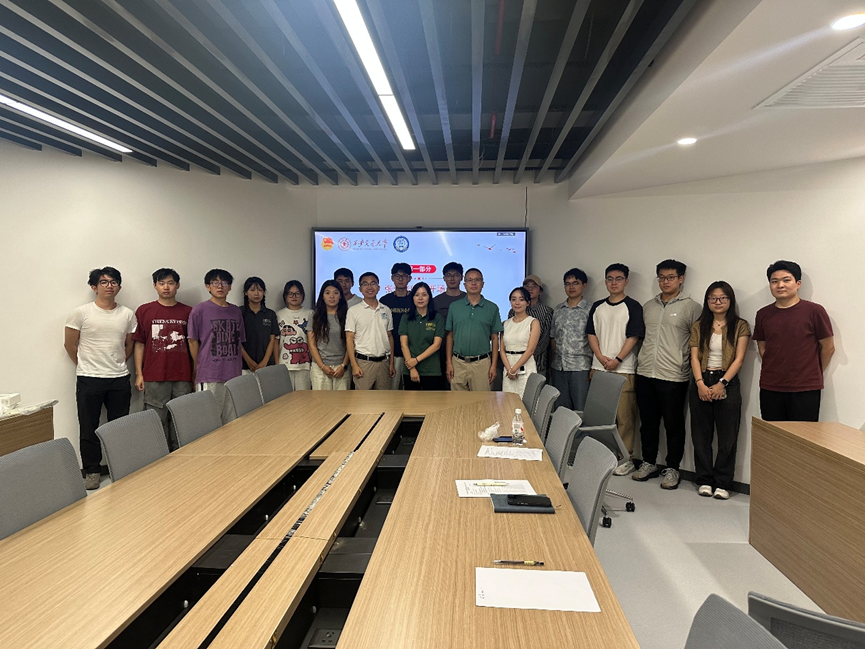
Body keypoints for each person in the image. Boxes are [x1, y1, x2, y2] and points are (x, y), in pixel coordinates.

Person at [64, 267, 137, 490]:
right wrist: (86, 365)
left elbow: (129, 345)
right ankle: (92, 471)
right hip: (89, 378)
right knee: (89, 427)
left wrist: (116, 363)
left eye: (113, 282)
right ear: (94, 287)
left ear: (119, 287)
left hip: (119, 379)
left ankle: (119, 467)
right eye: (104, 282)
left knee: (119, 426)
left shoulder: (127, 314)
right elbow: (70, 345)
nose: (109, 286)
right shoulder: (81, 313)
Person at [631, 260, 702, 490]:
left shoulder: (692, 307)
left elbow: (697, 342)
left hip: (673, 376)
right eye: (661, 277)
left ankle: (673, 468)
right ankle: (648, 462)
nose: (665, 281)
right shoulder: (648, 306)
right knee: (648, 423)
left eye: (671, 277)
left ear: (681, 279)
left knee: (674, 425)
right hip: (645, 372)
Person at [689, 282, 751, 500]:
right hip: (701, 379)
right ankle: (704, 480)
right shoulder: (699, 325)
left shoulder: (740, 326)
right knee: (700, 435)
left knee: (727, 436)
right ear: (707, 301)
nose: (717, 302)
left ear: (730, 301)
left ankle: (723, 483)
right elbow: (694, 357)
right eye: (713, 298)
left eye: (723, 298)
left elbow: (739, 359)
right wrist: (699, 383)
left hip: (728, 382)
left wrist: (722, 383)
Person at [753, 260, 834, 422]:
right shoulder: (763, 314)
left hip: (805, 388)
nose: (780, 285)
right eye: (774, 281)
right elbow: (762, 347)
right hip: (771, 386)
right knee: (773, 434)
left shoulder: (814, 311)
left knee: (803, 435)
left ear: (798, 284)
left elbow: (828, 347)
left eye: (786, 280)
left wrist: (812, 372)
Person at [586, 263, 644, 476]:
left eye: (618, 278)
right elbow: (591, 333)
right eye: (610, 279)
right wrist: (600, 356)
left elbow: (633, 336)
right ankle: (603, 456)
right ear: (605, 281)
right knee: (600, 417)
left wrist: (618, 359)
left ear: (626, 281)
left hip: (624, 369)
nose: (614, 283)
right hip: (598, 367)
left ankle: (625, 457)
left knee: (624, 418)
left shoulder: (633, 306)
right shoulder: (597, 306)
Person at [132, 268, 193, 451]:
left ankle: (181, 458)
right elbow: (139, 343)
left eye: (170, 283)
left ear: (177, 285)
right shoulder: (144, 311)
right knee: (155, 421)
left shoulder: (188, 311)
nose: (166, 287)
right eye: (161, 283)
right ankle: (159, 459)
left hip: (182, 375)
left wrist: (195, 372)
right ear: (155, 286)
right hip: (154, 375)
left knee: (181, 421)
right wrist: (139, 374)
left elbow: (193, 344)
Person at [188, 269, 245, 421]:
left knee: (232, 419)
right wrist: (198, 365)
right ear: (208, 286)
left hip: (233, 373)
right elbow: (192, 341)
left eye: (224, 283)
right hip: (210, 374)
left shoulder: (236, 311)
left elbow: (239, 341)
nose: (220, 286)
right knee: (209, 419)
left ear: (230, 287)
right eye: (215, 283)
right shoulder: (199, 310)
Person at [445, 268, 503, 391]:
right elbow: (450, 335)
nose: (473, 283)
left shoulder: (492, 308)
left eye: (477, 280)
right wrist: (449, 363)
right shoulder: (454, 307)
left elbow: (495, 338)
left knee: (481, 401)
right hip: (458, 363)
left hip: (481, 363)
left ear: (483, 284)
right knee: (457, 401)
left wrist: (493, 366)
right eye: (470, 280)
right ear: (464, 284)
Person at [550, 268, 592, 411]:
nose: (571, 287)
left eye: (575, 283)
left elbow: (595, 339)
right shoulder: (558, 310)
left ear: (584, 285)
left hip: (580, 367)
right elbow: (553, 337)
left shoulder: (590, 310)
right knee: (560, 410)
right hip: (558, 367)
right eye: (567, 284)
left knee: (581, 409)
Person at [345, 272, 395, 389]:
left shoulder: (386, 310)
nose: (369, 287)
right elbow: (349, 339)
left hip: (384, 362)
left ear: (378, 287)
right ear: (360, 289)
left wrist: (391, 363)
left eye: (373, 283)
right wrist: (354, 365)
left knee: (383, 398)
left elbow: (389, 336)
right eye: (365, 284)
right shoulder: (353, 311)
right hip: (363, 363)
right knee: (363, 399)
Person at [399, 282, 446, 390]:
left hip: (431, 370)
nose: (420, 298)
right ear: (412, 298)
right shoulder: (406, 318)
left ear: (429, 297)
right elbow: (404, 345)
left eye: (424, 295)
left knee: (431, 400)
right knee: (410, 400)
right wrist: (412, 367)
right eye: (417, 295)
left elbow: (436, 345)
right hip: (410, 369)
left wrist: (416, 360)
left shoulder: (437, 318)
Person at [309, 280, 351, 390]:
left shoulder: (347, 316)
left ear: (340, 296)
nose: (331, 296)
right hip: (320, 367)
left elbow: (350, 343)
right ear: (322, 296)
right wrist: (322, 366)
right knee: (321, 400)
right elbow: (312, 344)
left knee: (342, 400)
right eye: (327, 293)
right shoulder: (314, 316)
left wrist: (343, 366)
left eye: (336, 293)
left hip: (341, 367)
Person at [507, 275, 553, 375]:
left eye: (534, 286)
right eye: (527, 286)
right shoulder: (512, 312)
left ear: (540, 291)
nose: (530, 289)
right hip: (513, 363)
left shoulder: (547, 312)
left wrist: (528, 356)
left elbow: (545, 340)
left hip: (538, 363)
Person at [500, 287, 541, 398]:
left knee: (526, 399)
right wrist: (509, 369)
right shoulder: (505, 323)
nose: (517, 303)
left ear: (528, 302)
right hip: (508, 366)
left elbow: (530, 350)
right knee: (508, 400)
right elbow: (502, 350)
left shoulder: (533, 322)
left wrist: (514, 369)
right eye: (513, 299)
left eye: (521, 299)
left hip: (525, 365)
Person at [275, 280, 313, 390]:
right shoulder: (279, 315)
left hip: (305, 365)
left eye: (297, 293)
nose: (294, 297)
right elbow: (276, 342)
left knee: (304, 397)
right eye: (290, 294)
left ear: (303, 295)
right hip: (284, 364)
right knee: (286, 397)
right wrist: (277, 364)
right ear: (285, 296)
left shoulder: (310, 314)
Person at [380, 262, 413, 389]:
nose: (400, 279)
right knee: (391, 390)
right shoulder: (385, 301)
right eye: (397, 276)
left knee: (410, 390)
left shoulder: (415, 299)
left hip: (412, 352)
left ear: (409, 278)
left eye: (404, 276)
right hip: (391, 353)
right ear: (392, 278)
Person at [433, 261, 466, 376]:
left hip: (463, 348)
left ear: (461, 278)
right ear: (444, 278)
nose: (452, 278)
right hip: (440, 348)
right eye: (448, 275)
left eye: (456, 275)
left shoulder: (468, 299)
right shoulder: (436, 301)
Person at [240, 277, 278, 376]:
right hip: (244, 366)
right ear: (246, 292)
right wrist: (248, 360)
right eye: (252, 290)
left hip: (266, 365)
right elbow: (236, 339)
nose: (256, 293)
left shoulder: (270, 314)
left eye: (260, 290)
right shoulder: (239, 312)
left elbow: (272, 340)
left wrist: (265, 361)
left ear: (264, 292)